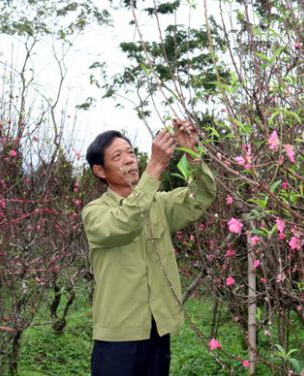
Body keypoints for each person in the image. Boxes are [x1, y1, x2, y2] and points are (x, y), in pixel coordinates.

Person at [82, 120, 217, 376]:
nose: (130, 160)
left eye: (131, 153)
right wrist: (155, 166)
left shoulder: (158, 203)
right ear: (100, 170)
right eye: (118, 156)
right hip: (117, 336)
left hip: (157, 330)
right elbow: (125, 224)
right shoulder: (95, 213)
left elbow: (201, 197)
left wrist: (192, 154)